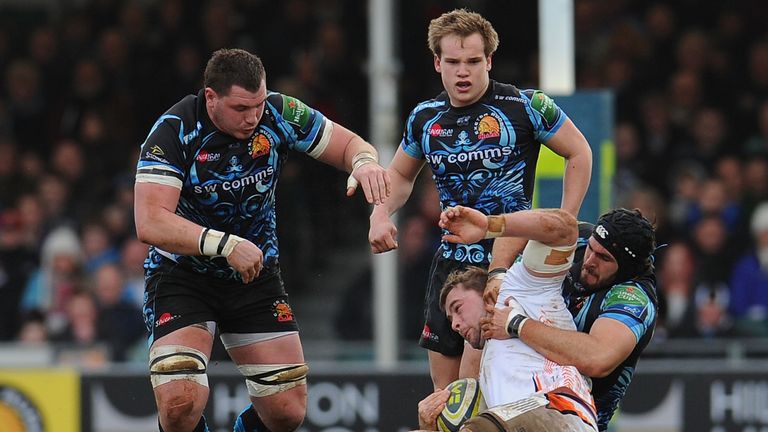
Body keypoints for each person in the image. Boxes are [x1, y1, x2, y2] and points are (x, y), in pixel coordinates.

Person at [134, 48, 390, 432]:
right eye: (240, 108)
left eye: (257, 104)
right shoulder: (174, 130)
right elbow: (150, 222)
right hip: (182, 276)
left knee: (287, 412)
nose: (253, 117)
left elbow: (352, 145)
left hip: (255, 275)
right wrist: (224, 245)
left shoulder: (279, 112)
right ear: (211, 98)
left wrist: (365, 163)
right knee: (180, 402)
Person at [368, 8, 592, 391]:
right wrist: (380, 213)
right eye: (453, 62)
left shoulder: (525, 105)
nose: (463, 71)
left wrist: (562, 224)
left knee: (482, 393)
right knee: (445, 398)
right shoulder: (425, 117)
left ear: (489, 60)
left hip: (505, 267)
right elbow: (401, 174)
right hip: (449, 268)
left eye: (473, 61)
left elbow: (579, 153)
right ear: (438, 63)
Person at [419, 205, 657, 431]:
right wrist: (497, 270)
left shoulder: (631, 297)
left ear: (626, 269)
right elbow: (525, 228)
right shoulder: (500, 295)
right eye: (592, 248)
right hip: (519, 411)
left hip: (564, 409)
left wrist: (516, 324)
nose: (589, 260)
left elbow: (597, 358)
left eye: (604, 258)